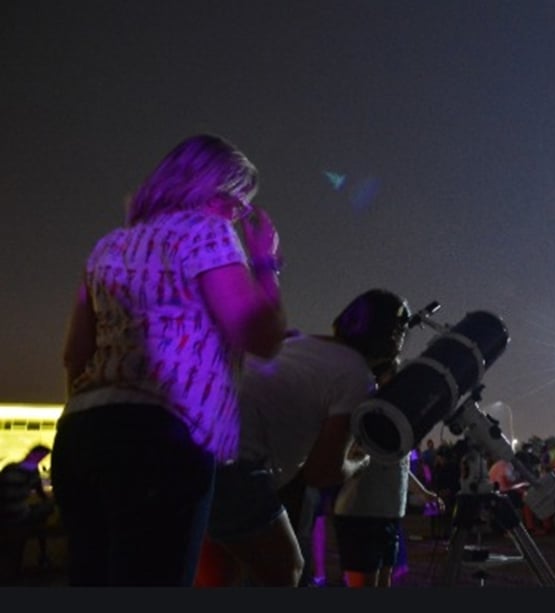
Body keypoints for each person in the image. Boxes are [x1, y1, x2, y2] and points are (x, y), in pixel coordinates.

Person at [52, 133, 286, 586]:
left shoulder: (108, 246)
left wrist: (95, 426)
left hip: (81, 433)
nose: (237, 218)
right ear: (210, 190)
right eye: (236, 203)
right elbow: (260, 335)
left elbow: (75, 353)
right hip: (163, 438)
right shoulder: (207, 231)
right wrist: (265, 264)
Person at [194, 288, 412, 587]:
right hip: (234, 463)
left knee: (221, 573)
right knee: (287, 569)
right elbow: (322, 472)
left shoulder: (297, 343)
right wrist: (359, 462)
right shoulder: (357, 376)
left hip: (196, 443)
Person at [332, 361, 446, 588]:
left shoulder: (400, 418)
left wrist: (423, 493)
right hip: (362, 513)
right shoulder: (362, 411)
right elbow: (345, 456)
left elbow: (400, 466)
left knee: (385, 580)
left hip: (389, 512)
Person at [0, 445, 56, 577]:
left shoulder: (10, 467)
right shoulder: (32, 472)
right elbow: (42, 495)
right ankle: (43, 554)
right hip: (19, 515)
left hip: (4, 513)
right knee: (47, 508)